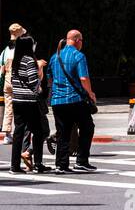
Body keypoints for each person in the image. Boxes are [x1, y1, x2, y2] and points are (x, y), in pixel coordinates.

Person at [49, 30, 97, 174]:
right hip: (75, 99)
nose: (82, 43)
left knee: (63, 132)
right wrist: (90, 93)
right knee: (87, 127)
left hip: (57, 100)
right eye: (81, 40)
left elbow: (50, 78)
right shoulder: (78, 56)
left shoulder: (54, 57)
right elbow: (83, 78)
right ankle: (82, 160)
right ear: (76, 40)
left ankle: (61, 164)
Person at [9, 35, 47, 174]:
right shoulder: (29, 60)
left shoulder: (16, 61)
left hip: (17, 100)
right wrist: (39, 89)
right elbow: (33, 81)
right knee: (39, 131)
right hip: (29, 101)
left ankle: (14, 165)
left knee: (18, 132)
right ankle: (38, 162)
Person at [0, 23, 26, 144]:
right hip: (18, 81)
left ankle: (7, 134)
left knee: (8, 108)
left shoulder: (5, 50)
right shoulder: (21, 49)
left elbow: (1, 69)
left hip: (7, 81)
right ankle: (20, 133)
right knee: (22, 107)